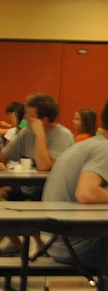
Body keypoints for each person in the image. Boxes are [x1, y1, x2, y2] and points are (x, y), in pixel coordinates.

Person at [41, 98, 108, 270]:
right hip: (75, 246)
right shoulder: (104, 149)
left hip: (55, 241)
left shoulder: (91, 145)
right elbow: (87, 193)